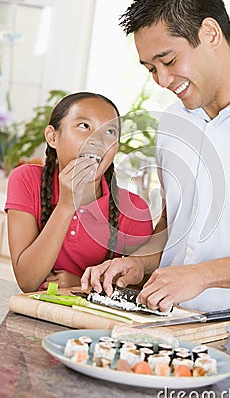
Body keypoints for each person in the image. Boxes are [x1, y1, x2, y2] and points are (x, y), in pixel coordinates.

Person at [81, 0, 230, 351]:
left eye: (168, 60)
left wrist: (203, 276)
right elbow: (174, 228)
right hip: (169, 338)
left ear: (211, 33)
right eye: (150, 68)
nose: (162, 80)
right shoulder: (174, 122)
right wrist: (138, 265)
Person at [5, 92, 153, 292]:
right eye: (84, 126)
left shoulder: (133, 208)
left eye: (109, 132)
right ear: (52, 137)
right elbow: (27, 281)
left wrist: (79, 284)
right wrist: (67, 205)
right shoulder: (26, 179)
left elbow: (140, 290)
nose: (98, 140)